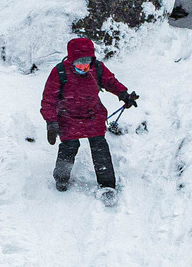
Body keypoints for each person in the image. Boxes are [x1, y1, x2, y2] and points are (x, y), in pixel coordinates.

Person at [39, 35, 137, 198]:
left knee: (100, 148)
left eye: (87, 62)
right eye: (79, 62)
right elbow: (49, 99)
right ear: (71, 60)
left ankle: (107, 185)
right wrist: (51, 122)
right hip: (68, 118)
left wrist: (123, 94)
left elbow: (110, 81)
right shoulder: (60, 72)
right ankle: (61, 178)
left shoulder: (97, 68)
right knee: (69, 148)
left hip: (93, 116)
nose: (83, 66)